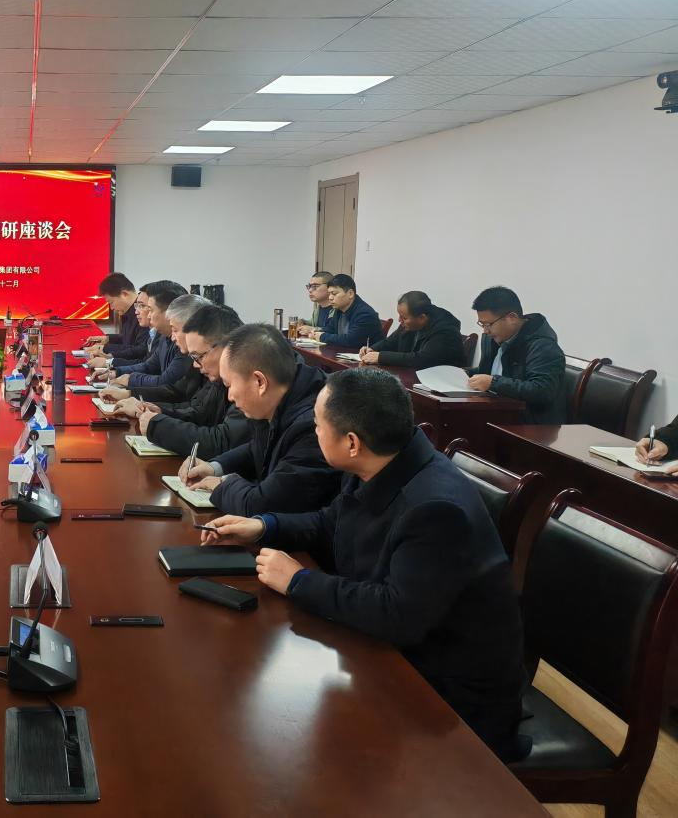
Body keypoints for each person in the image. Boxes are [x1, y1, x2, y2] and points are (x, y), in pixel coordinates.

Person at [201, 369, 527, 760]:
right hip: (398, 654)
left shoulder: (435, 508)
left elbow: (397, 614)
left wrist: (299, 581)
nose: (314, 432)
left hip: (452, 699)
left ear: (352, 442)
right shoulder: (382, 462)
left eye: (318, 425)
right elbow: (330, 523)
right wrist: (263, 526)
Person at [179, 323, 340, 516]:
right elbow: (258, 449)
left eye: (229, 385)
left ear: (260, 382)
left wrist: (223, 484)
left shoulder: (315, 425)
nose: (230, 397)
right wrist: (214, 468)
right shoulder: (280, 396)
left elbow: (263, 504)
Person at [130, 304, 249, 458]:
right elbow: (201, 413)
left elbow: (221, 442)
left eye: (198, 357)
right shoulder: (218, 377)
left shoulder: (248, 379)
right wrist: (160, 412)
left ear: (226, 347)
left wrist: (158, 426)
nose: (194, 365)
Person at [467, 286, 564, 424]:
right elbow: (492, 371)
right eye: (482, 325)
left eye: (488, 324)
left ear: (511, 318)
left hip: (527, 425)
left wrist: (492, 382)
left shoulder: (543, 347)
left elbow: (542, 390)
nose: (485, 331)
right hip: (495, 412)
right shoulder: (496, 339)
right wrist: (466, 373)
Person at [102, 293, 206, 406]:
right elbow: (151, 367)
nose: (148, 315)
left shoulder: (187, 350)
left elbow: (168, 384)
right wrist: (119, 374)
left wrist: (130, 382)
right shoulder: (164, 337)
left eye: (149, 309)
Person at [359, 291, 466, 369]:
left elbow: (421, 359)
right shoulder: (410, 322)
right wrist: (372, 349)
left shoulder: (445, 331)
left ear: (422, 318)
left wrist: (381, 357)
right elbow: (390, 342)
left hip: (440, 384)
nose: (399, 320)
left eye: (404, 318)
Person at [301, 274, 382, 349]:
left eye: (334, 293)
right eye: (329, 294)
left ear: (350, 294)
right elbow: (331, 329)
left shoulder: (365, 314)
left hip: (361, 357)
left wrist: (322, 336)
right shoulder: (339, 309)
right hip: (342, 353)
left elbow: (350, 340)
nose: (330, 298)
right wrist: (316, 332)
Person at [84, 272, 148, 361]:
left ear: (124, 294)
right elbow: (129, 340)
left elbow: (141, 349)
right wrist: (108, 339)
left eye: (111, 302)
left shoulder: (143, 314)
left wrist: (105, 350)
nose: (112, 308)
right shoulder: (127, 312)